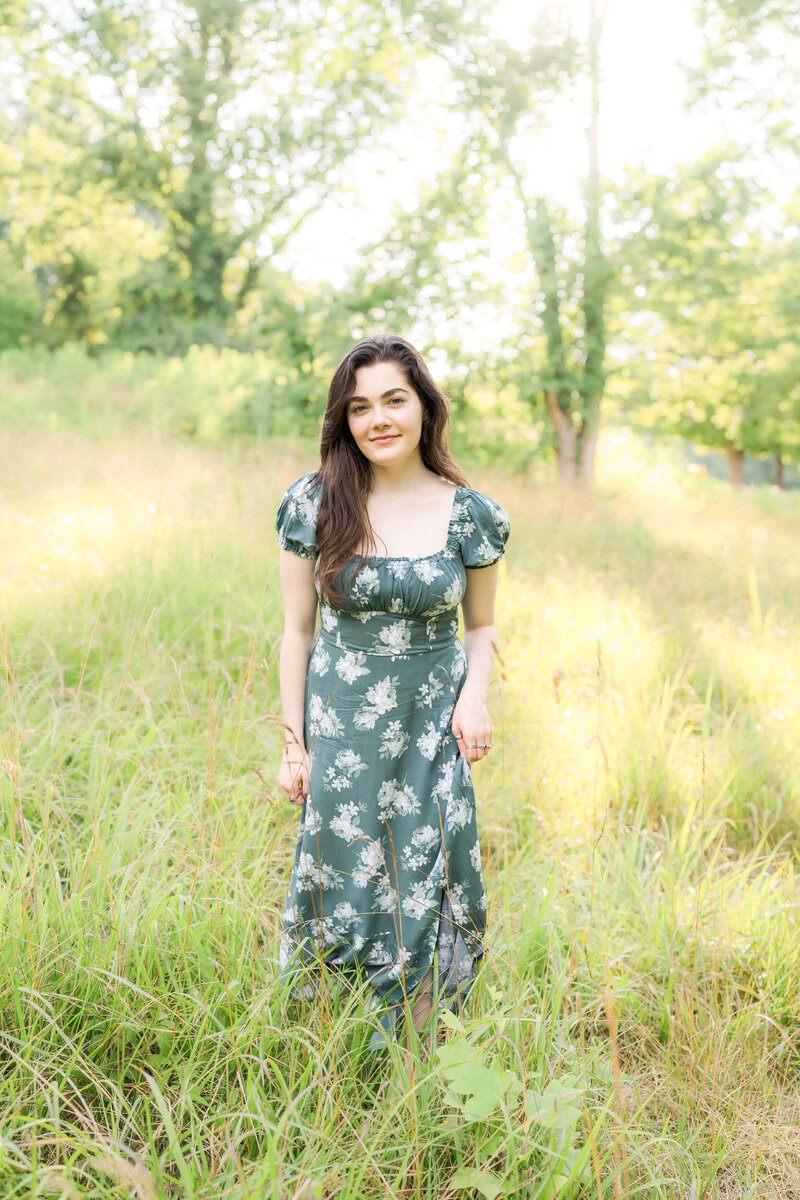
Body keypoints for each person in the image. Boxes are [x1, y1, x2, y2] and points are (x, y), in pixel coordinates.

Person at [274, 333, 510, 1050]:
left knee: (429, 866)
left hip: (432, 724)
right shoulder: (314, 503)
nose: (377, 419)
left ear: (424, 407)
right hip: (343, 730)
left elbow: (484, 626)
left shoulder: (470, 513)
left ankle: (418, 1041)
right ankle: (329, 1037)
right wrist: (293, 745)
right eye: (359, 407)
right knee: (341, 868)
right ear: (343, 420)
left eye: (393, 400)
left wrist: (474, 700)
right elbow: (296, 633)